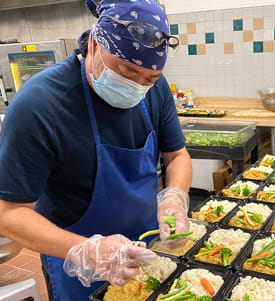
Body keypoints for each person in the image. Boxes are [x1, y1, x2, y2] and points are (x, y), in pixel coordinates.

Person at [0, 0, 192, 300]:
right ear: (93, 44)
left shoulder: (155, 88)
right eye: (127, 72)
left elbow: (177, 155)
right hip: (76, 266)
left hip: (146, 250)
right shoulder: (40, 104)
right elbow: (9, 214)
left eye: (149, 79)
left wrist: (174, 199)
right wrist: (87, 251)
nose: (138, 86)